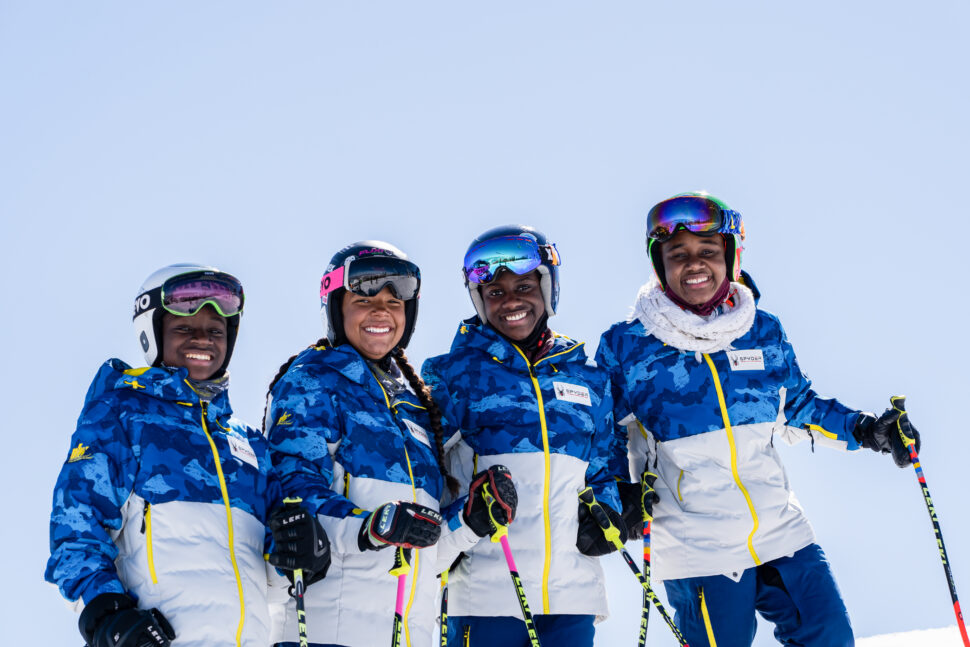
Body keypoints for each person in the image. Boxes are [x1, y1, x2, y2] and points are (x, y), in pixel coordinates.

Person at [596, 192, 921, 647]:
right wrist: (616, 494)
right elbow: (604, 434)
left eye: (708, 252)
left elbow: (799, 406)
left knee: (830, 636)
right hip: (697, 543)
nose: (695, 264)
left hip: (777, 528)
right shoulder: (627, 345)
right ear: (659, 263)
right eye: (678, 254)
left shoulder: (761, 329)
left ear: (730, 255)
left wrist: (867, 430)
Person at [46, 264, 330, 647]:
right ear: (154, 333)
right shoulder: (122, 415)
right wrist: (107, 615)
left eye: (215, 331)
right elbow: (77, 525)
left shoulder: (249, 446)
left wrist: (302, 552)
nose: (204, 340)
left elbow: (271, 572)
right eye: (185, 329)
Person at [421, 225, 626, 647]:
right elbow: (423, 473)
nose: (512, 300)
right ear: (478, 301)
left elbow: (605, 467)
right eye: (494, 292)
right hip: (485, 592)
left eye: (525, 286)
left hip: (571, 593)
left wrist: (607, 511)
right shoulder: (452, 375)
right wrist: (465, 516)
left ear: (548, 289)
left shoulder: (589, 379)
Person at [265, 241, 466, 647]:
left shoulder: (417, 406)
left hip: (405, 633)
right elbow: (294, 498)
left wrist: (472, 521)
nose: (381, 312)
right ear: (336, 306)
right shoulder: (313, 382)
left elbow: (422, 544)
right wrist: (372, 526)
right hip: (326, 630)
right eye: (364, 299)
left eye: (395, 302)